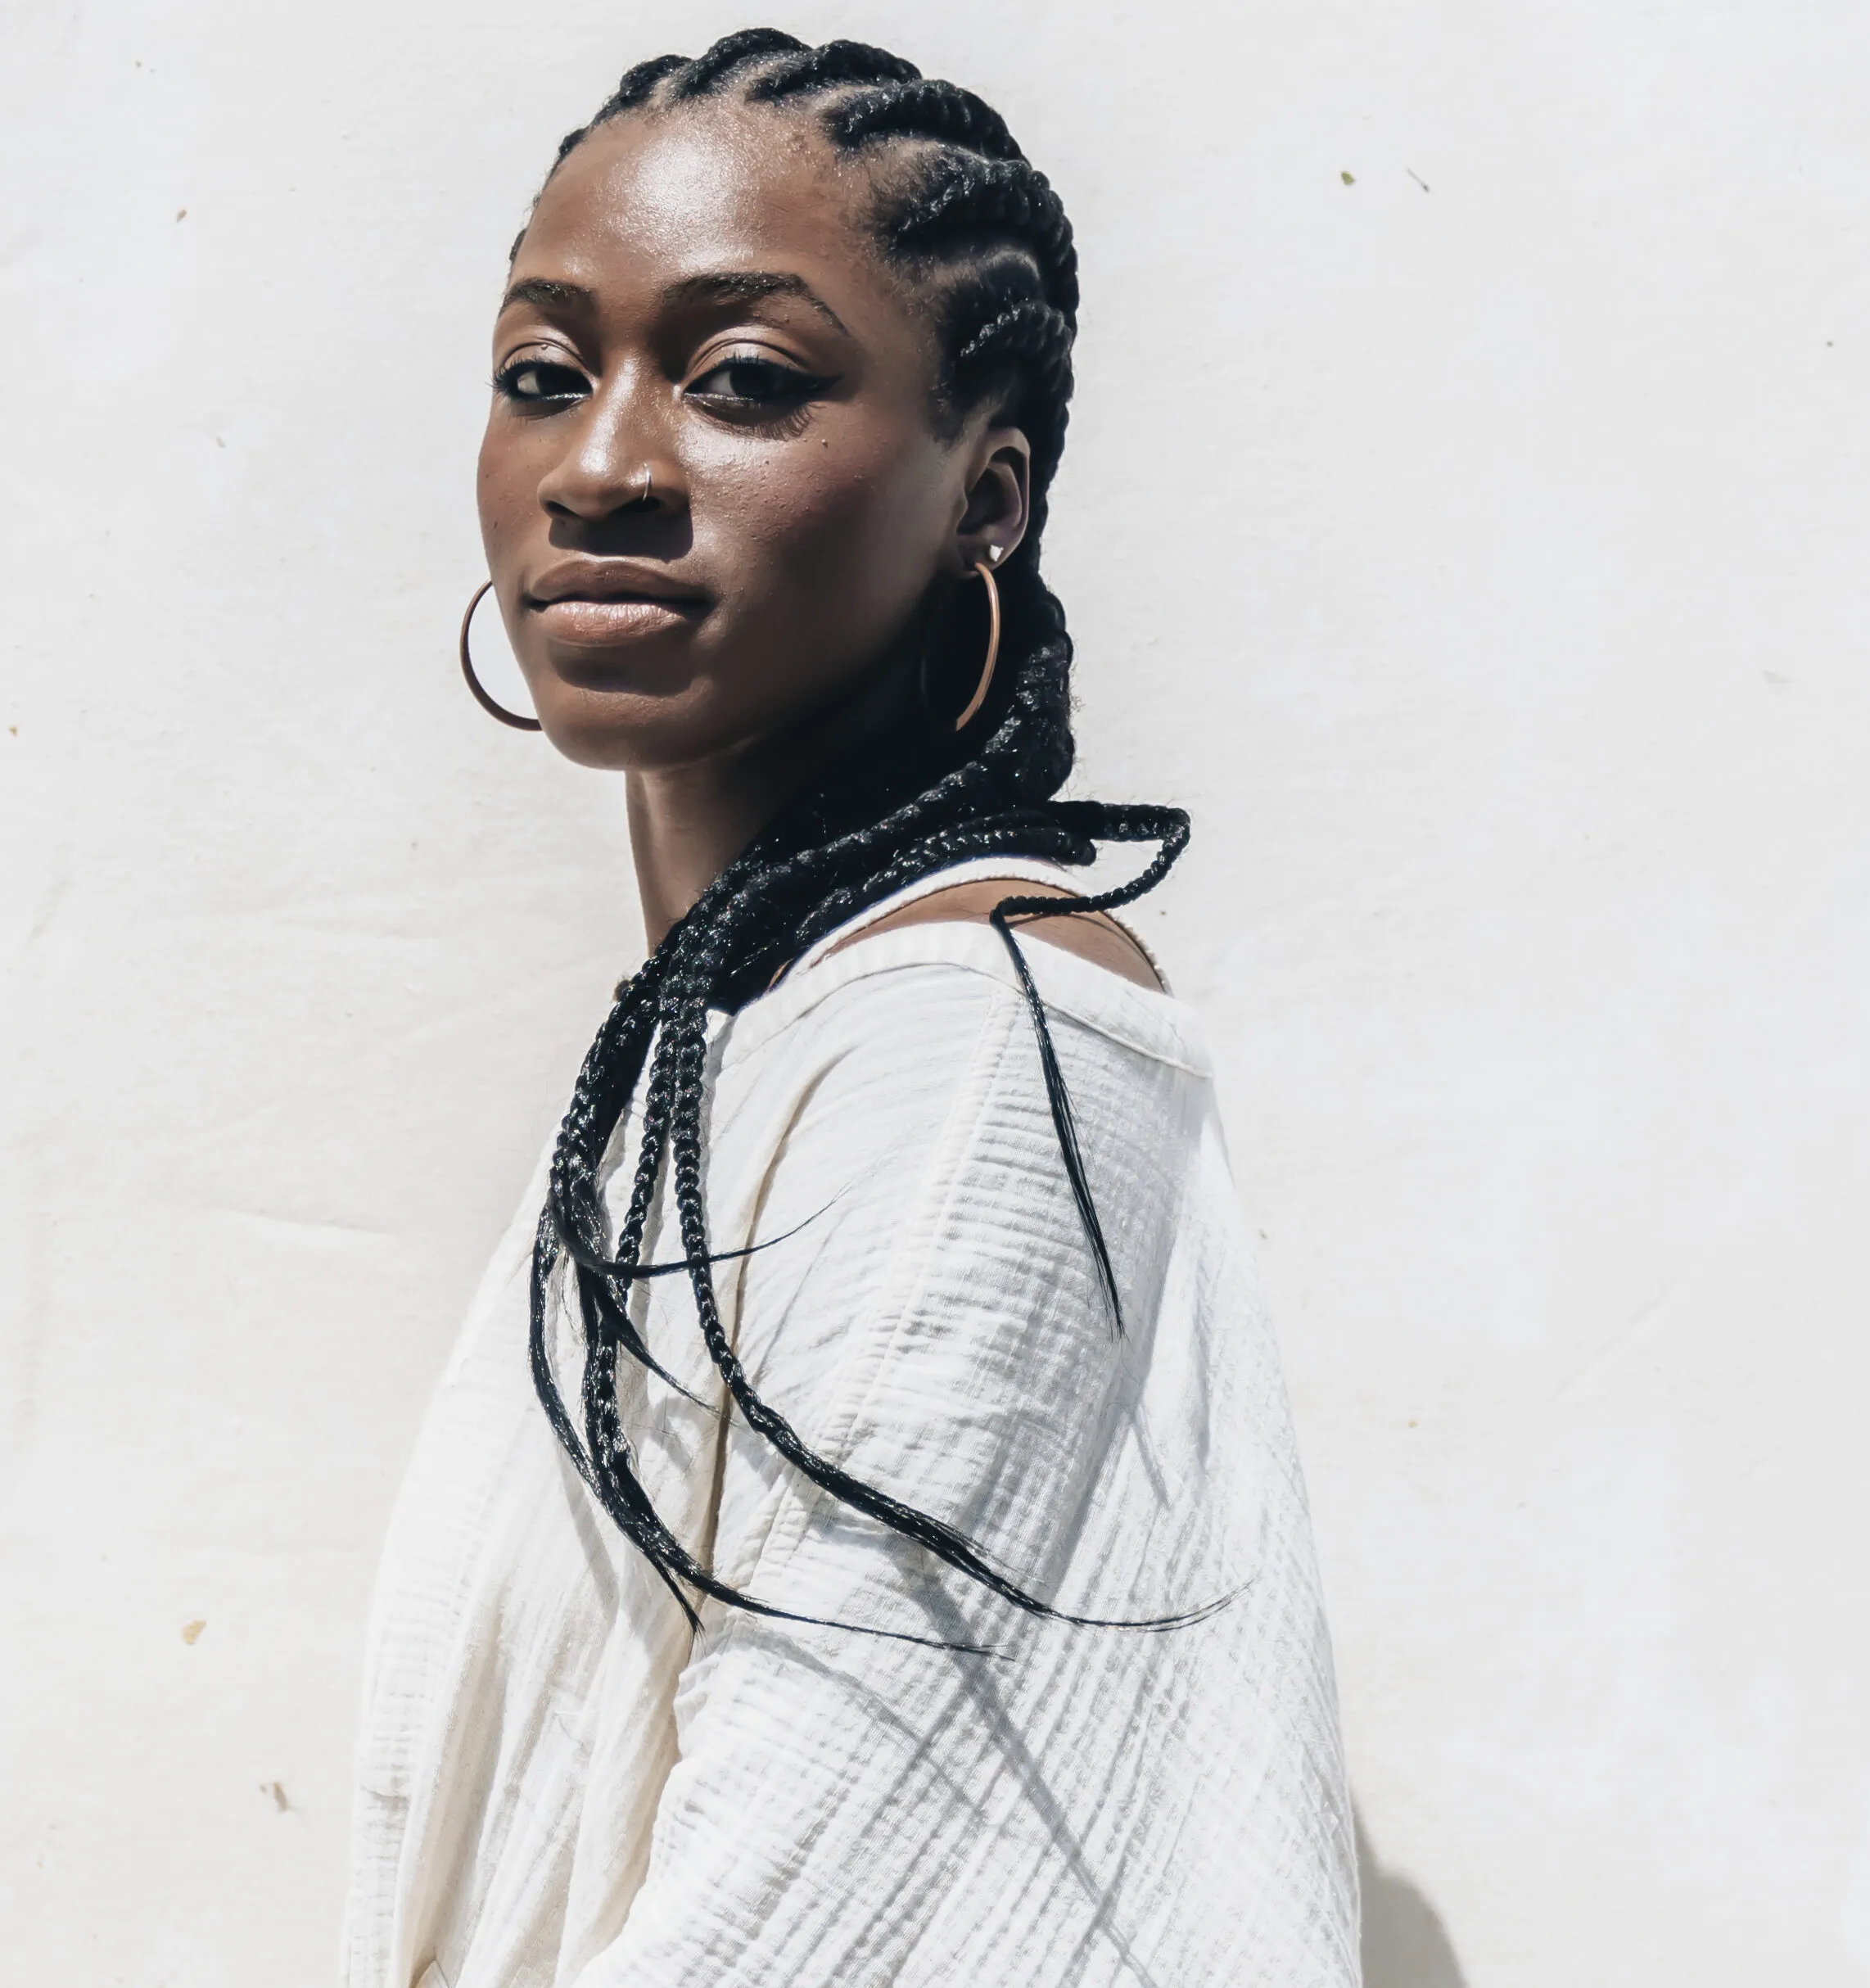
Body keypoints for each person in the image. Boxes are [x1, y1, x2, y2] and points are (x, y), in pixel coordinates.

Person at [346, 32, 1362, 1987]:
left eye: (739, 381)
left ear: (985, 495)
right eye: (541, 376)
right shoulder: (727, 1051)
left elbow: (828, 1902)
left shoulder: (971, 1045)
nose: (607, 465)